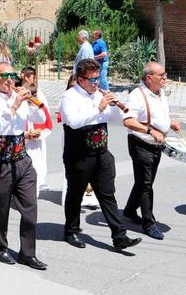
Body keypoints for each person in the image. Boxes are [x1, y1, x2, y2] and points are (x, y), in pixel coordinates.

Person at [59, 58, 142, 251]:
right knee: (75, 194)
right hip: (79, 155)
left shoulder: (98, 94)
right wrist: (99, 108)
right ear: (80, 80)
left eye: (97, 78)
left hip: (101, 154)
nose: (96, 83)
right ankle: (71, 231)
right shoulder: (69, 97)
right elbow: (73, 121)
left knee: (107, 195)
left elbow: (113, 118)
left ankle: (119, 236)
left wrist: (115, 106)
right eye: (92, 79)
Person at [0, 62, 47, 270]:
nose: (9, 80)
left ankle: (28, 253)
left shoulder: (20, 97)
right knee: (0, 209)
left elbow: (40, 118)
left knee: (30, 207)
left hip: (22, 159)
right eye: (4, 76)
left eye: (12, 75)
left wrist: (33, 100)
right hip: (1, 161)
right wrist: (15, 105)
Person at [122, 61, 182, 240]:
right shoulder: (137, 96)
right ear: (149, 78)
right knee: (146, 184)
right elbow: (128, 120)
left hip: (156, 146)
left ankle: (130, 210)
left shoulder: (160, 93)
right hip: (141, 144)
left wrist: (169, 122)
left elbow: (157, 115)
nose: (165, 78)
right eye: (161, 75)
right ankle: (148, 223)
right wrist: (150, 131)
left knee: (143, 182)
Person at [19, 67, 53, 195]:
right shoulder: (18, 90)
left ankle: (38, 184)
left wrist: (39, 131)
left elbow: (44, 110)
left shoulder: (38, 92)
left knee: (38, 160)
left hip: (36, 131)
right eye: (32, 76)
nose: (34, 79)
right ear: (25, 77)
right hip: (23, 134)